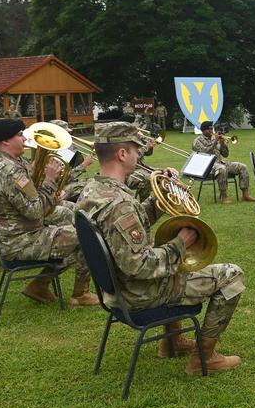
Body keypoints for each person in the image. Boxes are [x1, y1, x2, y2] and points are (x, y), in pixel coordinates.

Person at [76, 122, 245, 374]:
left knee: (174, 261)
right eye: (135, 149)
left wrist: (159, 198)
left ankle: (171, 342)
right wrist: (181, 243)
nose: (138, 154)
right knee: (232, 275)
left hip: (116, 290)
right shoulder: (119, 203)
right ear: (122, 154)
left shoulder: (94, 190)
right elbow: (141, 266)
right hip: (139, 294)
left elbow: (127, 229)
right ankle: (204, 358)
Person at [0, 118, 98, 306]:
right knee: (86, 236)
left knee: (78, 226)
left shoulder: (11, 162)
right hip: (20, 240)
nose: (24, 139)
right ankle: (79, 294)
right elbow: (35, 212)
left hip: (24, 231)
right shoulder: (9, 172)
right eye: (20, 135)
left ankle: (40, 286)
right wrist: (50, 181)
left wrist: (52, 194)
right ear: (6, 141)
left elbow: (34, 199)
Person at [192, 121, 255, 204]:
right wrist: (215, 142)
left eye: (212, 128)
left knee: (242, 166)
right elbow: (205, 152)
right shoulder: (197, 141)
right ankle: (224, 197)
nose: (211, 131)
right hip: (207, 165)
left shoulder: (214, 138)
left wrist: (222, 144)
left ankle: (245, 194)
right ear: (203, 130)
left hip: (220, 162)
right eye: (209, 129)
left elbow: (225, 155)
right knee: (222, 169)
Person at [45, 119, 95, 203]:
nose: (69, 135)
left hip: (63, 185)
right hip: (56, 189)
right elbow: (63, 178)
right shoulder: (52, 152)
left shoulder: (63, 149)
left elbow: (72, 168)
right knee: (91, 186)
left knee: (93, 181)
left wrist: (75, 153)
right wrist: (84, 165)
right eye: (66, 133)